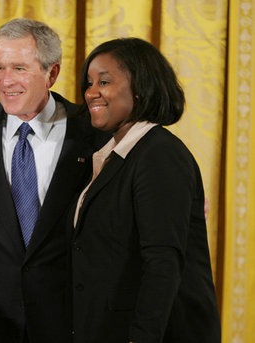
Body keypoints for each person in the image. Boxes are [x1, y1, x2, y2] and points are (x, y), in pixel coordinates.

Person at [0, 18, 107, 343]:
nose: (6, 81)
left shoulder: (92, 133)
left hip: (71, 320)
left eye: (19, 68)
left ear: (52, 73)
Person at [71, 37, 221, 342]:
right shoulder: (115, 156)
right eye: (89, 82)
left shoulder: (159, 155)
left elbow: (163, 264)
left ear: (140, 88)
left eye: (104, 81)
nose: (91, 93)